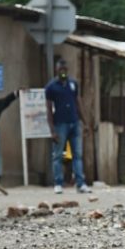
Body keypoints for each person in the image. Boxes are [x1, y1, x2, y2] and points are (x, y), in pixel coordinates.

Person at [45, 59, 92, 194]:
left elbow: (78, 103)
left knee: (77, 154)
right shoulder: (51, 87)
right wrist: (52, 129)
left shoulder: (73, 84)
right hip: (60, 124)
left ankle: (80, 183)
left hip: (74, 122)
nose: (63, 72)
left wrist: (85, 122)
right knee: (58, 155)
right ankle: (58, 183)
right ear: (56, 70)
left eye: (65, 70)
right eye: (61, 70)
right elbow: (49, 109)